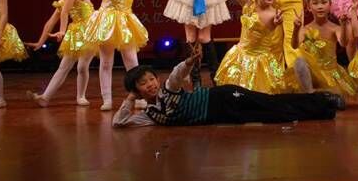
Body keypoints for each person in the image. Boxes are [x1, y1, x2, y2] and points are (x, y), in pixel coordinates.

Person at [112, 54, 344, 128]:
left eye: (151, 79)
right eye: (143, 83)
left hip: (222, 96)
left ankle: (321, 99)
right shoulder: (149, 115)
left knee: (271, 102)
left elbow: (177, 74)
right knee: (274, 115)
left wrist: (189, 62)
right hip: (223, 115)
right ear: (137, 90)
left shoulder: (167, 90)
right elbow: (118, 123)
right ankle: (324, 111)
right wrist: (131, 98)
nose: (150, 84)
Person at [212, 0, 289, 93]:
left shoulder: (275, 13)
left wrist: (276, 23)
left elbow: (275, 31)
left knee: (260, 94)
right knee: (238, 94)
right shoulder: (248, 4)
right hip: (240, 58)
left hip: (261, 63)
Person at [25, 0, 96, 107]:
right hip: (76, 33)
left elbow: (65, 13)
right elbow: (50, 23)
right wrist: (40, 42)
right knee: (63, 67)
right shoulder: (62, 0)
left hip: (90, 30)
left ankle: (81, 96)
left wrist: (63, 31)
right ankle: (45, 98)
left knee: (82, 66)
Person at [291, 0, 357, 97]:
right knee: (299, 62)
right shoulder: (305, 29)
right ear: (309, 7)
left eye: (324, 2)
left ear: (330, 5)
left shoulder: (334, 28)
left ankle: (316, 95)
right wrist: (296, 28)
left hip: (330, 74)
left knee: (336, 99)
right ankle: (311, 94)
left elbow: (343, 43)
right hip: (312, 74)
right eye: (315, 3)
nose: (320, 6)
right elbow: (294, 45)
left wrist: (343, 25)